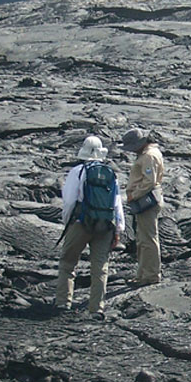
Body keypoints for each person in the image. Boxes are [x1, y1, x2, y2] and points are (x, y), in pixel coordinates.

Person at [56, 135, 125, 315]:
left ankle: (63, 303)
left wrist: (68, 222)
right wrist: (118, 229)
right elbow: (117, 204)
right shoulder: (111, 173)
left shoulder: (78, 171)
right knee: (100, 267)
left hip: (81, 223)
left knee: (68, 262)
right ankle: (96, 309)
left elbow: (70, 201)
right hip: (105, 225)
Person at [121, 127, 165, 286]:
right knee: (143, 239)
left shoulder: (149, 156)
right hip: (146, 200)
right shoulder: (149, 154)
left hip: (146, 201)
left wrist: (134, 195)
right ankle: (142, 273)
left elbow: (149, 181)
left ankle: (151, 275)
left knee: (148, 239)